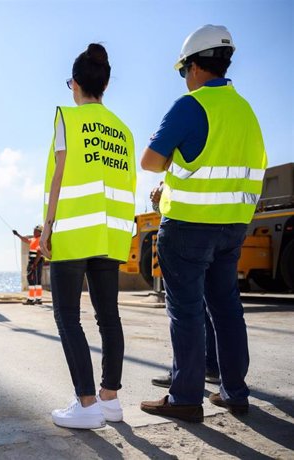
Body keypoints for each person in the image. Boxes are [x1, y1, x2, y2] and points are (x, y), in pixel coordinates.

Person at [140, 25, 266, 423]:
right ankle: (234, 391)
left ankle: (185, 398)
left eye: (183, 71)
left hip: (188, 228)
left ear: (194, 67)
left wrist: (172, 163)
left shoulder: (190, 107)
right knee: (227, 308)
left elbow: (151, 161)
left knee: (187, 311)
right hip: (232, 228)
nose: (184, 79)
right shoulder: (246, 111)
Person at [40, 43, 136, 430]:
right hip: (110, 234)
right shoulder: (123, 131)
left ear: (76, 85)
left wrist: (47, 225)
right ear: (106, 85)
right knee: (108, 316)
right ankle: (109, 399)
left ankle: (85, 404)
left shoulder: (68, 117)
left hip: (74, 231)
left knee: (67, 316)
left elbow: (61, 171)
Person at [148, 184, 220, 388]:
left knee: (186, 310)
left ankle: (185, 378)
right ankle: (214, 369)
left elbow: (150, 162)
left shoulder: (183, 157)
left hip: (185, 231)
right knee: (214, 307)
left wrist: (161, 195)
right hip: (220, 228)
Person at [12, 226, 44, 304]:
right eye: (33, 231)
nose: (34, 232)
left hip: (36, 262)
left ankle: (31, 299)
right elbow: (25, 240)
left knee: (30, 279)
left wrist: (34, 264)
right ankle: (38, 299)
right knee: (37, 280)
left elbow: (39, 253)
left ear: (40, 232)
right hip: (34, 262)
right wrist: (17, 234)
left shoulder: (40, 240)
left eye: (35, 231)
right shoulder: (33, 239)